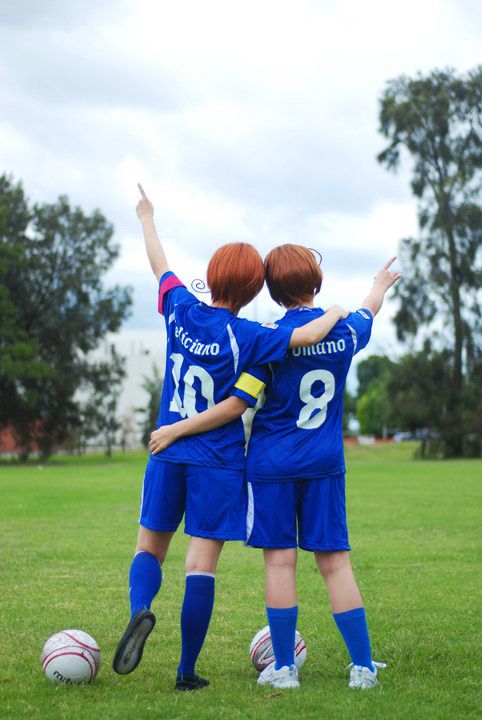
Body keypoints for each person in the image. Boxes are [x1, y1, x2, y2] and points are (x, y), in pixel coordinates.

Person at [112, 190, 347, 691]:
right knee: (200, 566)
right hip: (217, 461)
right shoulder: (251, 335)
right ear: (253, 288)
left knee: (149, 548)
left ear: (212, 275)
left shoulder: (180, 307)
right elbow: (305, 340)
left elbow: (159, 263)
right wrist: (335, 313)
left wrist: (147, 217)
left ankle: (140, 607)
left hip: (166, 452)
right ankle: (185, 671)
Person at [150, 243, 400, 690]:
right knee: (336, 565)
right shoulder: (345, 331)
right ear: (315, 282)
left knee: (280, 565)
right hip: (324, 462)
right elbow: (369, 309)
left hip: (270, 465)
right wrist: (379, 285)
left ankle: (284, 669)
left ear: (271, 289)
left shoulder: (269, 339)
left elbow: (242, 399)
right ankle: (362, 668)